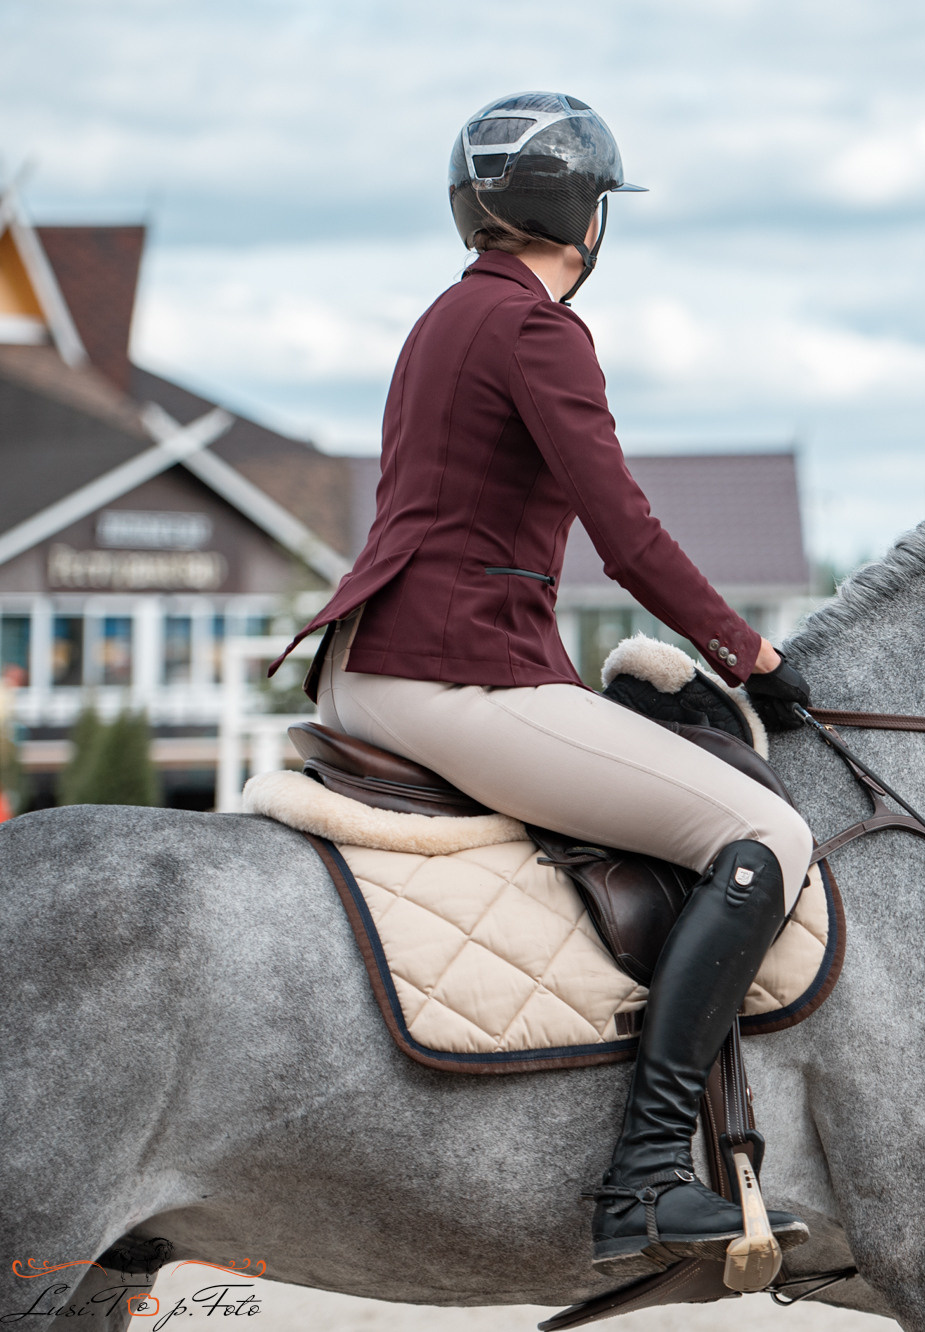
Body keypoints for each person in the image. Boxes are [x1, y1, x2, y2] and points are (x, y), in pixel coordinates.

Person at [271, 92, 812, 1273]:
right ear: (584, 220)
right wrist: (753, 656)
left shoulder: (443, 317)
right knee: (764, 833)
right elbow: (626, 538)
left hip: (370, 667)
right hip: (459, 678)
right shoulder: (539, 331)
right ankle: (645, 1177)